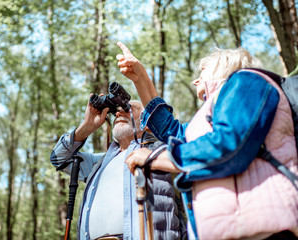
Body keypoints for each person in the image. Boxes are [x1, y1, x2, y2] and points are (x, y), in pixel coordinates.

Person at [116, 42, 298, 240]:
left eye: (202, 72)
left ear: (224, 65)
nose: (195, 81)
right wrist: (141, 78)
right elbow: (173, 132)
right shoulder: (212, 113)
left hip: (266, 229)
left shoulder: (248, 80)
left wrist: (155, 159)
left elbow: (228, 145)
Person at [50, 97, 185, 240]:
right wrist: (87, 125)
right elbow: (59, 158)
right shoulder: (99, 164)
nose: (119, 113)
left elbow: (193, 160)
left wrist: (153, 157)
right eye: (117, 112)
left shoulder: (160, 151)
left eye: (128, 109)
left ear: (148, 123)